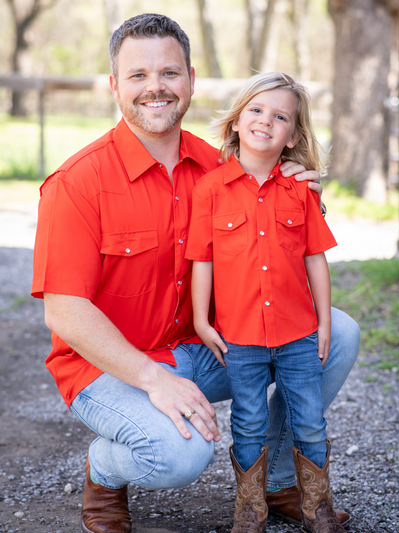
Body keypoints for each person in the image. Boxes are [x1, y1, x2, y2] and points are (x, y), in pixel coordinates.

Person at [31, 13, 360, 533]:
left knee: (336, 334)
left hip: (208, 349)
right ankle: (104, 468)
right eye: (138, 75)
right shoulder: (78, 183)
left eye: (170, 73)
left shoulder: (224, 169)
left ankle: (276, 482)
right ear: (115, 85)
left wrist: (303, 192)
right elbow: (64, 310)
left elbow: (286, 251)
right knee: (177, 456)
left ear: (190, 81)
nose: (155, 87)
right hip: (111, 369)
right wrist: (152, 378)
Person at [186, 72, 350, 533]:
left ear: (293, 135)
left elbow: (316, 259)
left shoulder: (301, 190)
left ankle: (318, 510)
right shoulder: (211, 190)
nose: (266, 121)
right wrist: (201, 320)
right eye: (256, 110)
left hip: (298, 334)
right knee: (249, 421)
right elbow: (202, 260)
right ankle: (250, 512)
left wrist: (323, 322)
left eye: (280, 116)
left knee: (310, 421)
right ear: (237, 121)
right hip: (240, 338)